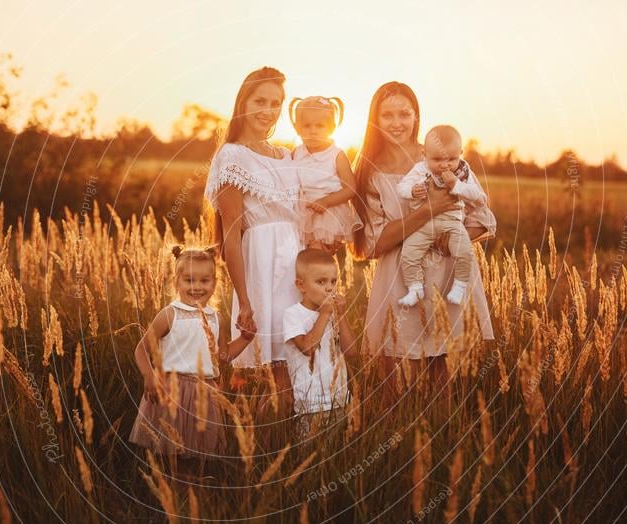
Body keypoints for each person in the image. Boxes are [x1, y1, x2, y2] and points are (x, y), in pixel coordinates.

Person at [351, 82, 496, 413]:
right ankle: (393, 447)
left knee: (438, 373)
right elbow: (374, 244)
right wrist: (427, 210)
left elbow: (484, 218)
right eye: (386, 114)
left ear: (417, 116)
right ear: (374, 119)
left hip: (442, 273)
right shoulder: (369, 172)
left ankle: (438, 443)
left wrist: (450, 238)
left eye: (404, 113)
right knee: (392, 376)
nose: (397, 122)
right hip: (396, 275)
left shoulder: (442, 158)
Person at [204, 66, 301, 418]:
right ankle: (262, 449)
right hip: (263, 264)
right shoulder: (232, 156)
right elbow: (231, 235)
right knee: (274, 373)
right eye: (260, 100)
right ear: (243, 101)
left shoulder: (286, 155)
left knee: (297, 364)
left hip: (296, 265)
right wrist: (245, 299)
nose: (268, 110)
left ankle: (293, 442)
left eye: (276, 103)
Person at [129, 245, 254, 475]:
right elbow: (141, 350)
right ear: (177, 282)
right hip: (172, 391)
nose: (196, 287)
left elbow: (222, 357)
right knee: (169, 454)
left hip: (205, 393)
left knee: (198, 458)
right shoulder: (170, 314)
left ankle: (195, 496)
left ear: (215, 283)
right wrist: (149, 376)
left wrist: (245, 339)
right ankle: (170, 496)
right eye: (189, 280)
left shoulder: (215, 318)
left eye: (204, 280)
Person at [395, 125, 490, 306]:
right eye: (437, 159)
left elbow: (480, 198)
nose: (445, 165)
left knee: (464, 253)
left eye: (452, 159)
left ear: (461, 153)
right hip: (424, 223)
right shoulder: (420, 170)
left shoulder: (463, 172)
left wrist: (457, 185)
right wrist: (413, 191)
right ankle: (415, 288)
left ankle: (459, 287)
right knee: (408, 254)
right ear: (424, 154)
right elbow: (401, 187)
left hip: (452, 222)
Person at [282, 249, 357, 438]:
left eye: (333, 281)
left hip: (340, 400)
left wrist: (342, 315)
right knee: (312, 457)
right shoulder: (293, 315)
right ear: (301, 285)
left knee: (338, 456)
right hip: (311, 405)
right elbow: (307, 348)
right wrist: (324, 314)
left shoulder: (334, 314)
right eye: (321, 282)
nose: (329, 288)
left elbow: (351, 352)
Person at [289, 96, 361, 254]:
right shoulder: (296, 153)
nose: (313, 131)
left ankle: (325, 278)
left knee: (319, 255)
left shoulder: (336, 155)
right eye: (307, 125)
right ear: (297, 128)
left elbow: (350, 189)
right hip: (304, 213)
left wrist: (326, 202)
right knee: (301, 259)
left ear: (332, 127)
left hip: (327, 214)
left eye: (320, 126)